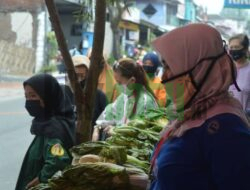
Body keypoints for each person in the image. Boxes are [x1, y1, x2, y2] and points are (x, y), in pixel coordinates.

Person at [149, 24, 250, 190]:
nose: (164, 77)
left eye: (170, 66)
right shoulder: (191, 113)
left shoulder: (226, 131)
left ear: (199, 68)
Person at [16, 74, 75, 190]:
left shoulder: (53, 128)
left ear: (48, 97)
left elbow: (58, 161)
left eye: (33, 96)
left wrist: (40, 179)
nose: (29, 102)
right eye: (26, 96)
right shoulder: (46, 124)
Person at [92, 58, 158, 141]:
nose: (117, 85)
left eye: (119, 82)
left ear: (132, 80)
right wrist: (97, 128)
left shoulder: (145, 102)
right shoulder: (124, 97)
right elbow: (110, 112)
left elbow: (140, 134)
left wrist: (115, 130)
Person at [71, 55, 107, 127]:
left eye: (82, 75)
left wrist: (97, 129)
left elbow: (105, 118)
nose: (79, 80)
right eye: (77, 75)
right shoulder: (65, 94)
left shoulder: (99, 96)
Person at [228, 34, 250, 119]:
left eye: (236, 47)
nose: (233, 50)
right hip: (225, 120)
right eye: (231, 47)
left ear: (245, 49)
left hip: (244, 122)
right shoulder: (225, 69)